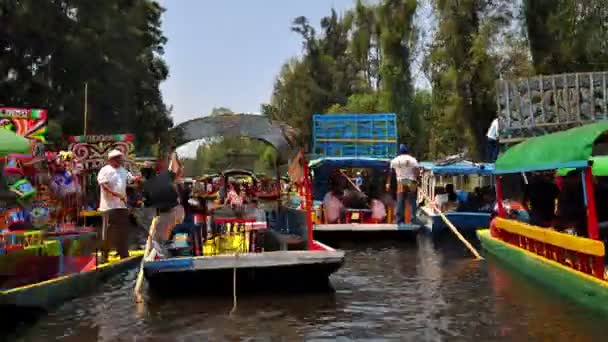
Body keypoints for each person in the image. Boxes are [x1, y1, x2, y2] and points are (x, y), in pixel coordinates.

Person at [97, 150, 136, 261]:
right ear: (111, 160)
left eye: (120, 157)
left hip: (121, 205)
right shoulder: (104, 170)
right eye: (117, 158)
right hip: (108, 206)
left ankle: (123, 253)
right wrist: (116, 194)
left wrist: (137, 180)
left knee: (122, 230)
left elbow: (131, 180)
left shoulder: (123, 170)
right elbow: (104, 185)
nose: (119, 160)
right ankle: (104, 255)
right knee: (109, 231)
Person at [388, 144, 419, 224]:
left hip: (401, 181)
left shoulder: (394, 160)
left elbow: (392, 174)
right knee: (412, 201)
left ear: (400, 151)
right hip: (411, 181)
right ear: (407, 151)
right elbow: (416, 171)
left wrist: (391, 186)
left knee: (400, 201)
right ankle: (413, 220)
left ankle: (399, 220)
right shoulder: (413, 160)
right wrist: (416, 180)